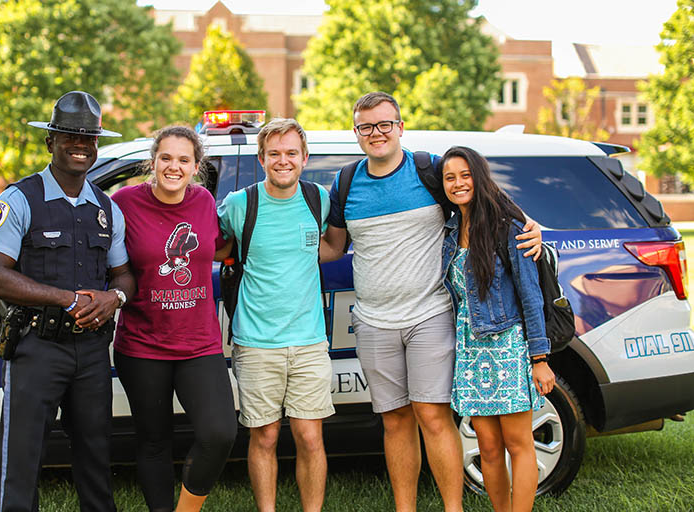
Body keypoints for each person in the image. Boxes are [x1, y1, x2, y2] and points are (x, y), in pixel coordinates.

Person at [319, 92, 542, 512]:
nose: (377, 133)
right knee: (395, 420)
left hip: (431, 314)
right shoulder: (345, 182)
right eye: (366, 126)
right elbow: (333, 246)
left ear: (401, 127)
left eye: (385, 124)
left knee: (433, 417)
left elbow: (481, 194)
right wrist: (270, 247)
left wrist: (532, 224)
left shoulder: (430, 170)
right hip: (372, 321)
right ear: (356, 133)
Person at [0, 90, 134, 512]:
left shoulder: (107, 209)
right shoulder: (19, 200)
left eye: (88, 137)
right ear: (51, 141)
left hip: (91, 351)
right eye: (70, 135)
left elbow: (124, 276)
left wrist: (113, 297)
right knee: (22, 461)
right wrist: (66, 299)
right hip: (36, 347)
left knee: (96, 461)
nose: (80, 144)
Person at [110, 125, 237, 512]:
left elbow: (221, 247)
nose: (173, 166)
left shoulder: (202, 201)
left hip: (198, 343)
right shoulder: (124, 202)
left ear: (195, 166)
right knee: (153, 441)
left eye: (183, 160)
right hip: (142, 345)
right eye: (166, 158)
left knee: (219, 433)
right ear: (153, 162)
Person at [217, 118, 333, 512]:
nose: (283, 161)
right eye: (274, 154)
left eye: (291, 153)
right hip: (255, 341)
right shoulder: (239, 204)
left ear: (304, 158)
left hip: (309, 341)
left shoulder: (319, 199)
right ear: (261, 158)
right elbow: (215, 248)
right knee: (264, 436)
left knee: (310, 437)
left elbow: (334, 246)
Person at [440, 145, 555, 512]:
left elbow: (530, 295)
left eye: (465, 175)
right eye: (450, 178)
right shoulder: (451, 228)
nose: (458, 184)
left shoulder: (509, 229)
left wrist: (540, 358)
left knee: (518, 442)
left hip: (508, 346)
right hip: (470, 352)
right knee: (487, 446)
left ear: (479, 176)